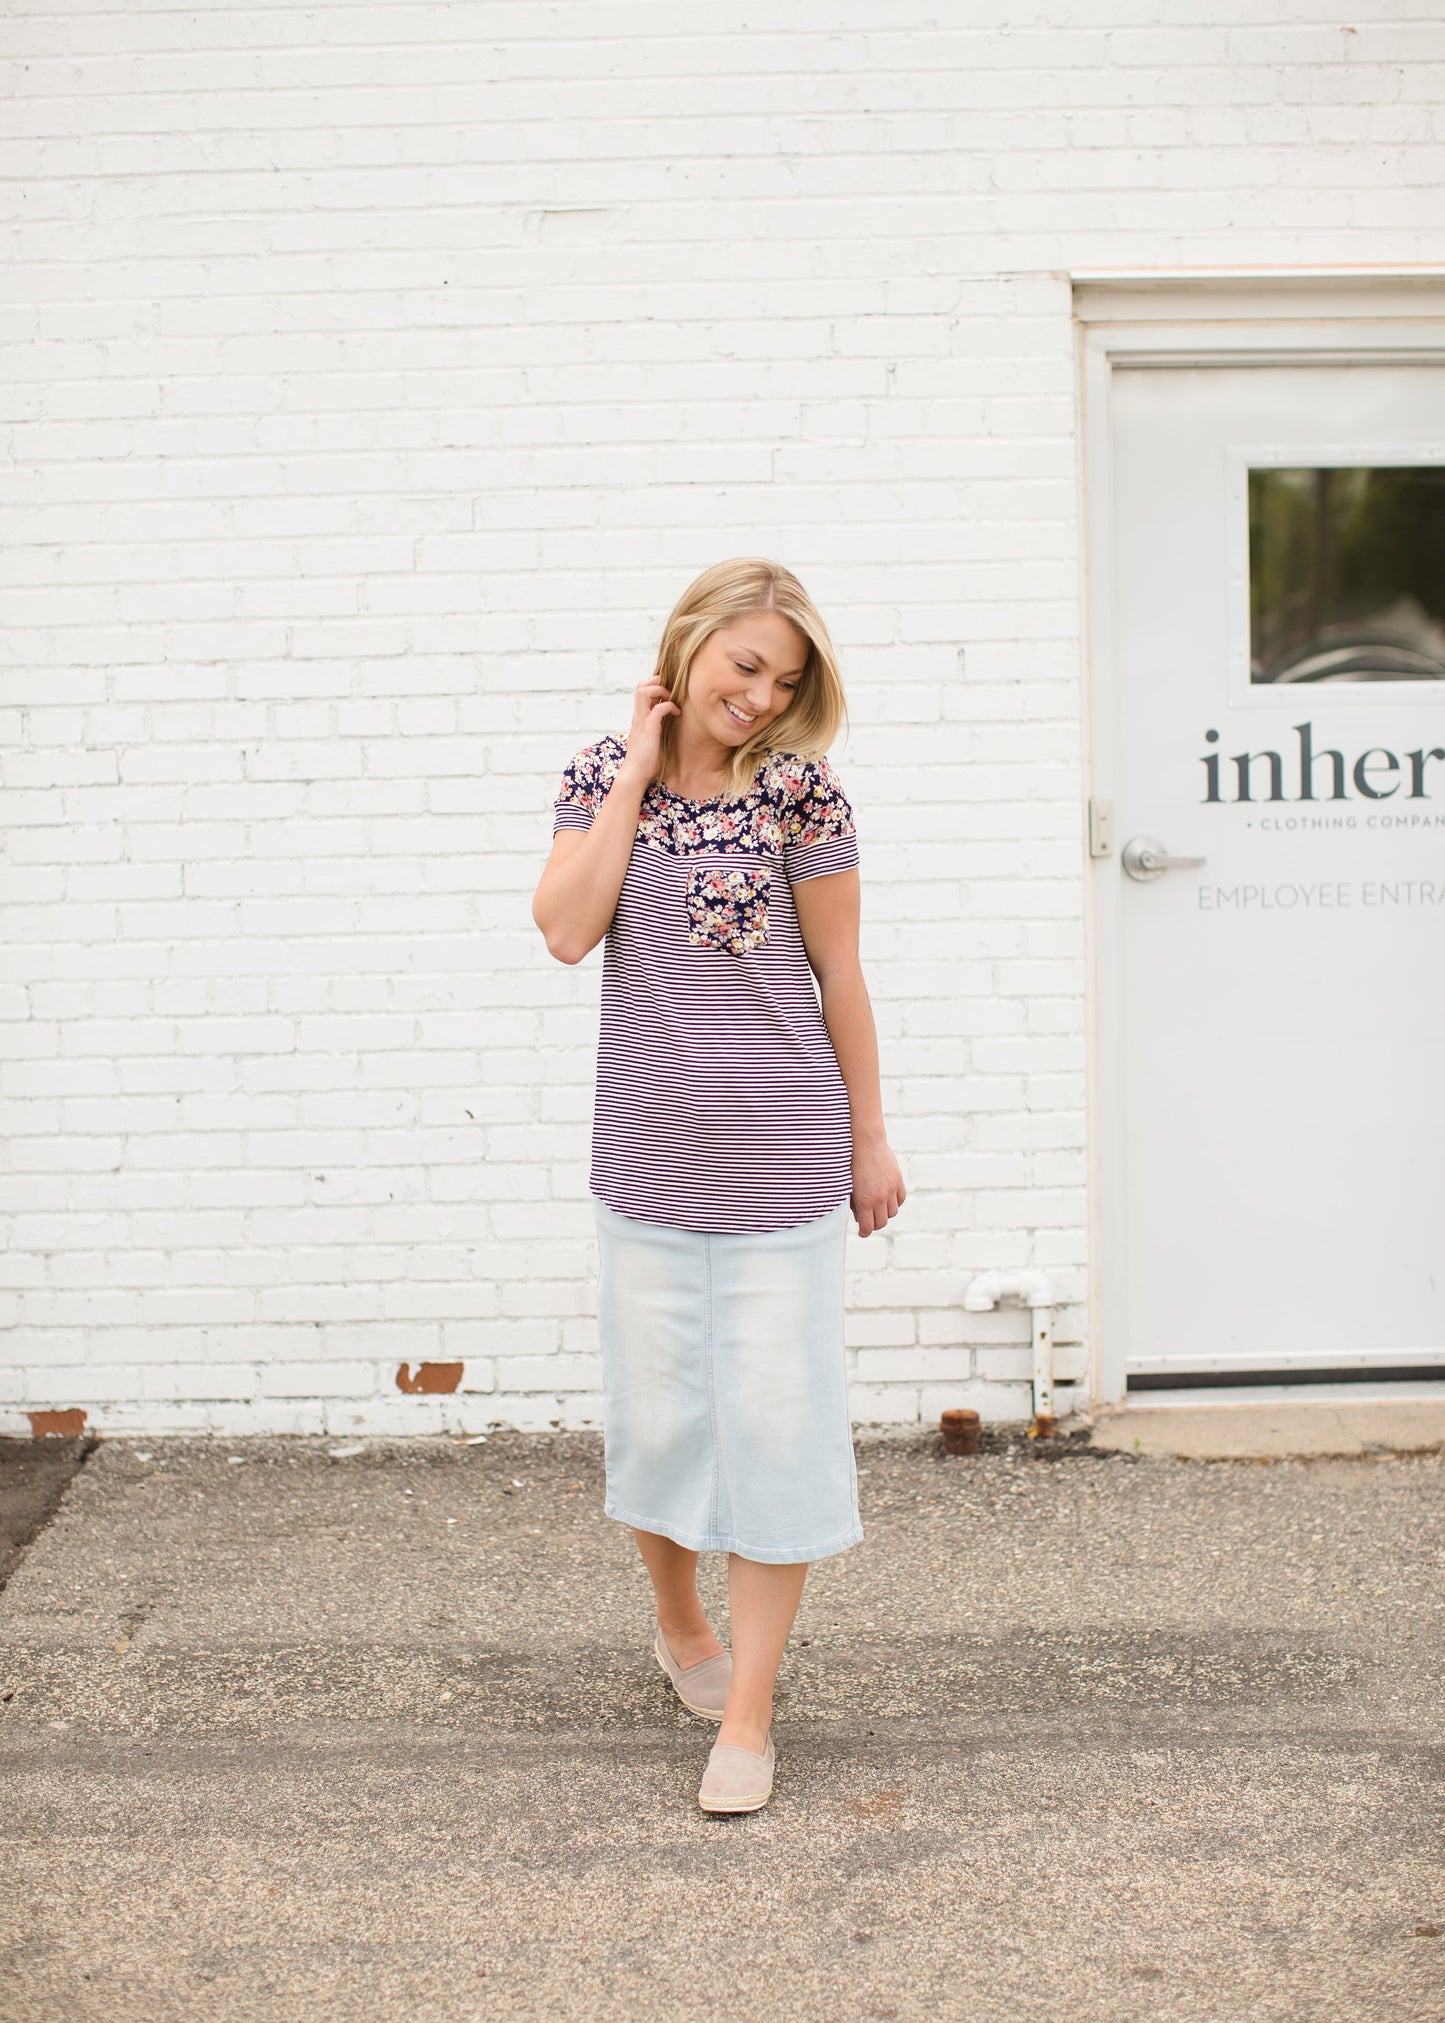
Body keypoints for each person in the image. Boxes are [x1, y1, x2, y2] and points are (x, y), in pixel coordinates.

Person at [531, 557, 905, 1814]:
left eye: (783, 680)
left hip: (783, 1167)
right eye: (743, 666)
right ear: (688, 647)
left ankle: (745, 1718)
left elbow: (839, 977)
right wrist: (637, 770)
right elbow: (567, 927)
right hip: (642, 1164)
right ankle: (678, 1624)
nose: (758, 696)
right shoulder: (598, 773)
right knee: (660, 1423)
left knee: (776, 1436)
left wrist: (867, 1139)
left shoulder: (803, 797)